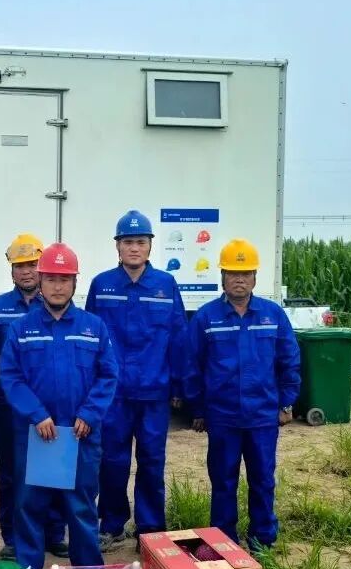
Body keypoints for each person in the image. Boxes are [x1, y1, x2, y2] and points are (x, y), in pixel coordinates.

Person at [0, 243, 119, 569]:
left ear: (74, 283)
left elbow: (108, 375)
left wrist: (90, 413)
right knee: (29, 507)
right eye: (51, 279)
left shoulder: (93, 327)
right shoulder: (22, 329)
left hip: (80, 435)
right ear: (40, 281)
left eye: (64, 280)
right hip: (38, 435)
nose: (57, 286)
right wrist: (36, 414)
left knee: (81, 508)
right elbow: (11, 376)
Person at [185, 238, 300, 551]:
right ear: (222, 276)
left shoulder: (273, 315)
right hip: (223, 417)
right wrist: (198, 409)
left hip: (262, 415)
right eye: (233, 273)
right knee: (223, 482)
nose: (240, 279)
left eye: (246, 273)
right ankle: (223, 543)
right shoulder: (206, 318)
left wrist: (286, 402)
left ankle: (262, 540)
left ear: (255, 277)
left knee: (262, 479)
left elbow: (289, 360)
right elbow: (192, 366)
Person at [86, 210, 188, 548]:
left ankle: (151, 528)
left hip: (154, 393)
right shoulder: (102, 285)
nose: (134, 248)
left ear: (150, 246)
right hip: (113, 394)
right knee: (112, 461)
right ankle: (112, 523)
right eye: (128, 242)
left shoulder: (165, 285)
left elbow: (178, 337)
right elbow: (90, 337)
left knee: (152, 461)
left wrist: (178, 386)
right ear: (117, 246)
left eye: (140, 242)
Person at [0, 233, 67, 560]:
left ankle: (53, 533)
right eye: (20, 266)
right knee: (12, 474)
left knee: (53, 469)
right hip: (11, 407)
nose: (27, 271)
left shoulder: (56, 304)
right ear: (11, 270)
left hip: (51, 405)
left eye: (32, 264)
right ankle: (14, 537)